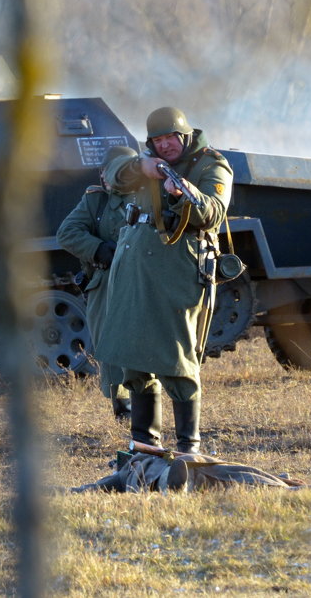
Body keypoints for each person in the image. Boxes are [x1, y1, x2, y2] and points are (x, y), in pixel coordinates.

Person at [93, 107, 233, 454]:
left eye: (171, 138)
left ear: (185, 136)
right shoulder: (147, 163)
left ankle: (188, 446)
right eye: (158, 140)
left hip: (178, 272)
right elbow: (113, 177)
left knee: (178, 357)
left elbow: (212, 212)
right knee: (134, 355)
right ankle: (145, 445)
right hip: (135, 270)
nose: (166, 145)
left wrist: (183, 192)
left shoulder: (211, 165)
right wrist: (143, 167)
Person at [56, 144, 139, 419]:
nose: (105, 177)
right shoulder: (96, 200)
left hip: (144, 280)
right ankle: (123, 408)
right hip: (107, 283)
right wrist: (99, 249)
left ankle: (148, 407)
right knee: (112, 345)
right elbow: (67, 232)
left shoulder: (150, 197)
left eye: (113, 171)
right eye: (103, 171)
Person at [71, 450, 311, 494]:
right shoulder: (125, 474)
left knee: (241, 471)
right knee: (232, 478)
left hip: (189, 464)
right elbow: (90, 490)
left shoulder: (139, 459)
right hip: (178, 475)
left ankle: (287, 486)